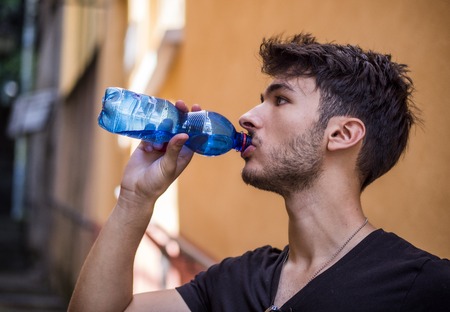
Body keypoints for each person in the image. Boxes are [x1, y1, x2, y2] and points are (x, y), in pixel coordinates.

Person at [68, 33, 450, 311]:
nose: (246, 117)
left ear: (342, 134)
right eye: (259, 101)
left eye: (280, 100)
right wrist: (136, 200)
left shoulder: (425, 288)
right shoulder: (238, 279)